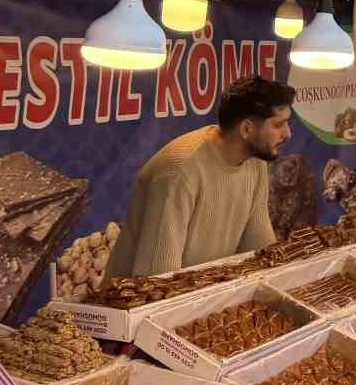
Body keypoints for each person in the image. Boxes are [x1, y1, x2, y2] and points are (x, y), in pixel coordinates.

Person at [107, 76, 295, 278]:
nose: (288, 134)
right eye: (278, 125)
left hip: (198, 296)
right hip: (131, 303)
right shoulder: (179, 173)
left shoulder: (255, 161)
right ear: (247, 129)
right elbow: (156, 279)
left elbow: (260, 251)